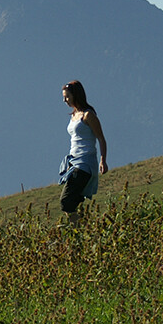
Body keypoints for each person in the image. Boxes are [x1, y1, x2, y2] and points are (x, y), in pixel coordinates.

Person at [58, 80, 108, 226]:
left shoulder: (88, 115)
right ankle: (84, 229)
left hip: (85, 163)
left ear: (75, 95)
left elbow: (101, 138)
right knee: (72, 202)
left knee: (65, 201)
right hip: (74, 162)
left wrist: (102, 160)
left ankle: (82, 228)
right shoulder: (74, 115)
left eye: (67, 97)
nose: (64, 100)